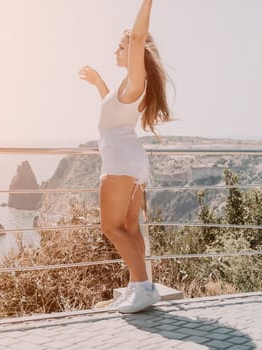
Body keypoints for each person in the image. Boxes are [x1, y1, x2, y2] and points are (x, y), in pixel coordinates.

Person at [79, 0, 171, 313]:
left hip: (119, 163)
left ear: (134, 52)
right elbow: (111, 107)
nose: (117, 51)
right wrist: (98, 82)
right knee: (129, 227)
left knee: (111, 227)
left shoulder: (136, 81)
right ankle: (138, 286)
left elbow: (136, 38)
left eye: (121, 47)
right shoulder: (127, 88)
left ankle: (144, 287)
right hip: (131, 160)